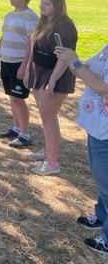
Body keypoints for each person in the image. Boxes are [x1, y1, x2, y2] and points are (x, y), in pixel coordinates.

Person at [54, 44, 108, 255]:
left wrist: (75, 62)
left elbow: (105, 89)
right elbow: (87, 71)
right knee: (101, 178)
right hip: (97, 126)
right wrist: (70, 60)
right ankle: (102, 216)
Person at [23, 0, 77, 176]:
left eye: (47, 4)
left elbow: (65, 56)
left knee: (49, 116)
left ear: (57, 6)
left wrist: (53, 80)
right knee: (44, 115)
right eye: (41, 3)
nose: (42, 6)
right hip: (41, 72)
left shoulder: (65, 25)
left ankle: (52, 162)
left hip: (55, 74)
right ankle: (47, 151)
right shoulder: (43, 22)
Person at [0, 0, 39, 148]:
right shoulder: (9, 15)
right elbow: (4, 36)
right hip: (7, 61)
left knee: (17, 98)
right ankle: (16, 127)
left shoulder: (30, 17)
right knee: (12, 97)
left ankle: (25, 135)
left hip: (19, 62)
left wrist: (24, 66)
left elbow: (31, 43)